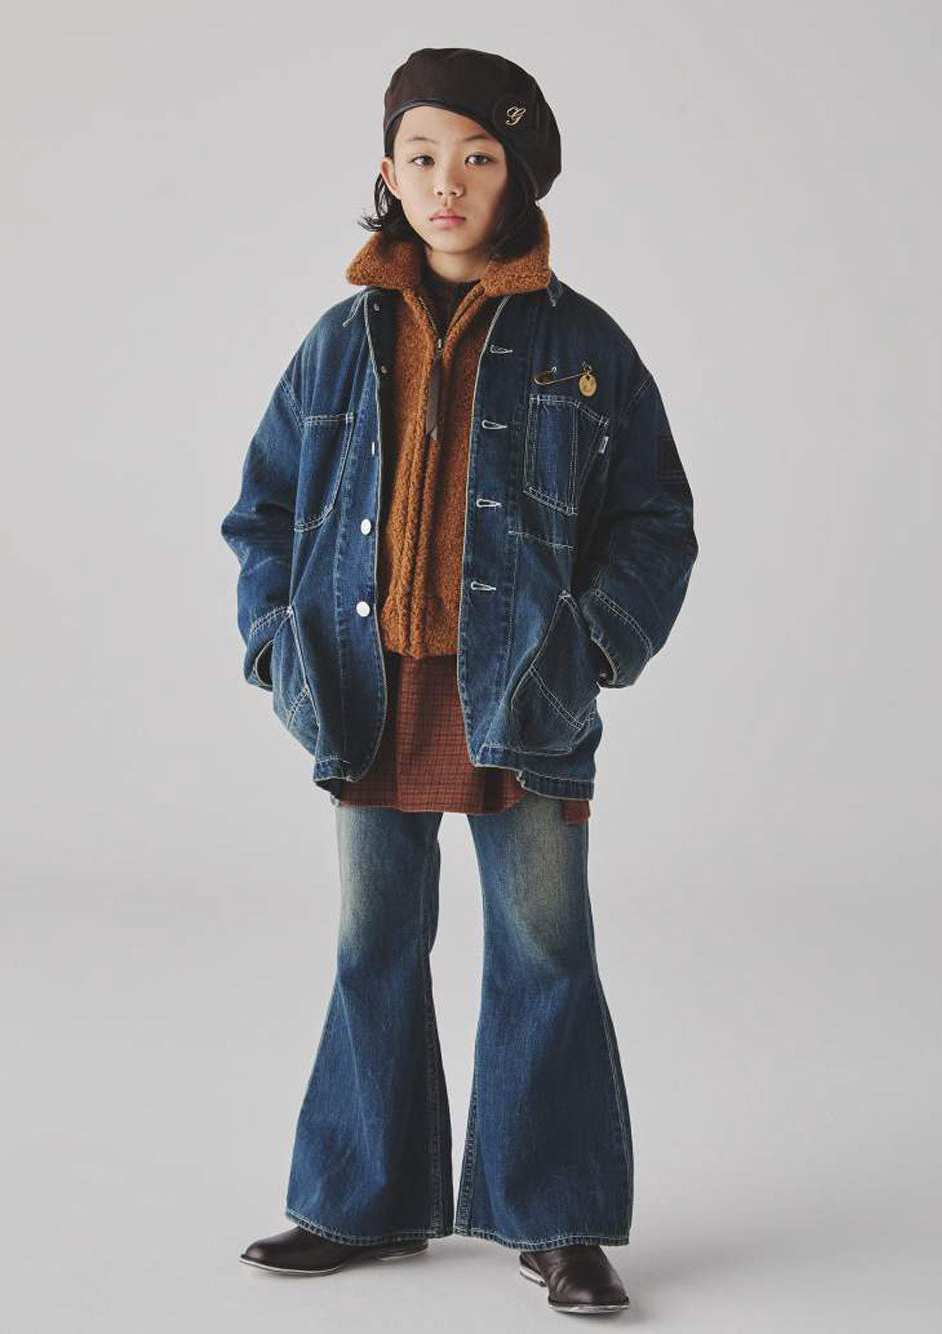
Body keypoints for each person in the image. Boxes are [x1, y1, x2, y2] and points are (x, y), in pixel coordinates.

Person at [220, 46, 698, 1315]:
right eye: (422, 156)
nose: (446, 183)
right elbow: (261, 509)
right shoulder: (338, 344)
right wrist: (274, 641)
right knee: (372, 945)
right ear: (386, 172)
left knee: (544, 951)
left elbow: (656, 518)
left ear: (516, 177)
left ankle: (557, 1219)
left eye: (477, 159)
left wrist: (594, 647)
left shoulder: (583, 343)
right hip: (362, 689)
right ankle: (360, 1200)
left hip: (525, 694)